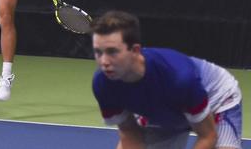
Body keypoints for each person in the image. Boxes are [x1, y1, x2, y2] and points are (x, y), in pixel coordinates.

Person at [91, 10, 242, 149]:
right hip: (163, 114)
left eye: (112, 52)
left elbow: (208, 136)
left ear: (135, 50)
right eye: (98, 52)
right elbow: (130, 134)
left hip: (216, 99)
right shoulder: (103, 84)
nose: (104, 61)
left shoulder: (179, 78)